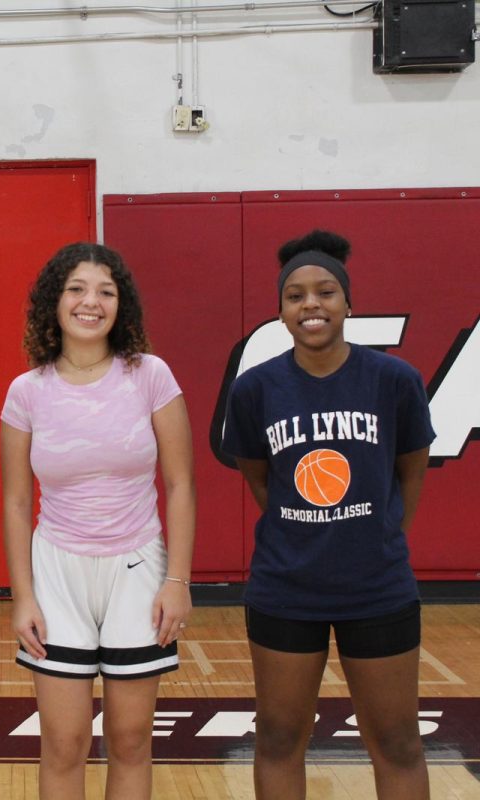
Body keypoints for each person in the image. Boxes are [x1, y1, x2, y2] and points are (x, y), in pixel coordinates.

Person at [221, 230, 433, 800]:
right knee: (279, 738)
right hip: (286, 588)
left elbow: (411, 468)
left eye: (324, 292)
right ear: (281, 312)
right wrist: (302, 529)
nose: (310, 304)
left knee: (398, 743)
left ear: (347, 302)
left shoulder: (394, 381)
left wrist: (381, 532)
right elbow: (259, 476)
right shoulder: (255, 390)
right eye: (295, 295)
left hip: (378, 587)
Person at [0, 242, 196, 799]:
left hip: (138, 567)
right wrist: (23, 596)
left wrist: (176, 580)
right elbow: (16, 502)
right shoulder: (26, 392)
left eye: (106, 291)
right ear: (54, 303)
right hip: (57, 571)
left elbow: (181, 485)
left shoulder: (150, 376)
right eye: (77, 290)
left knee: (131, 739)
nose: (92, 302)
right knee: (64, 743)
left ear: (121, 305)